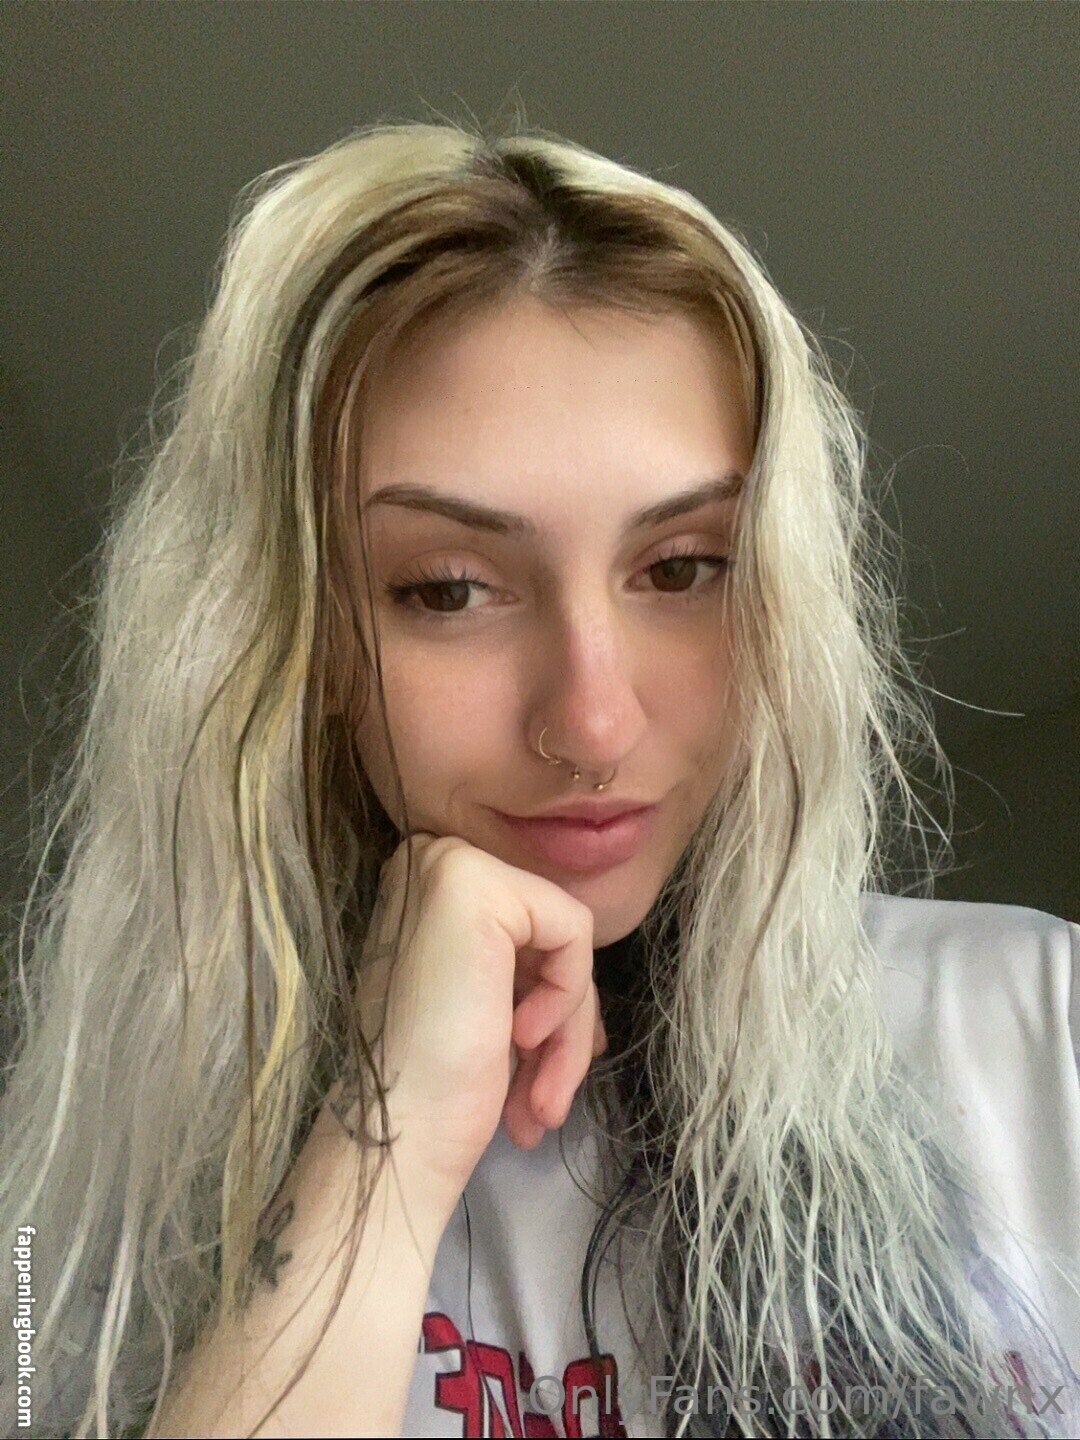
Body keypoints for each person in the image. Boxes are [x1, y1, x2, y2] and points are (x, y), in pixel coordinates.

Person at [0, 116, 1076, 1440]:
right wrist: (381, 1142)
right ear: (301, 641)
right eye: (449, 589)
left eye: (684, 567)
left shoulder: (1042, 1029)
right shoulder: (83, 1225)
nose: (594, 724)